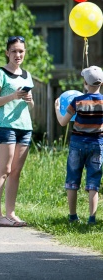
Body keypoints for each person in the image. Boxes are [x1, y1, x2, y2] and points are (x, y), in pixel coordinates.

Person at [0, 36, 34, 227]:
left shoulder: (27, 75)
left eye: (21, 51)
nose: (17, 54)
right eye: (14, 51)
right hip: (5, 126)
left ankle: (11, 214)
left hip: (25, 127)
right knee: (4, 171)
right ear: (7, 53)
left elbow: (30, 105)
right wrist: (13, 95)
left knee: (15, 172)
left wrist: (29, 99)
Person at [54, 66, 103, 225]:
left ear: (84, 83)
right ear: (101, 83)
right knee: (93, 182)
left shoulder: (77, 101)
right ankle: (92, 218)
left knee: (73, 180)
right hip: (97, 144)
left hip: (77, 144)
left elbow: (63, 122)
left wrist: (57, 109)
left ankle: (73, 216)